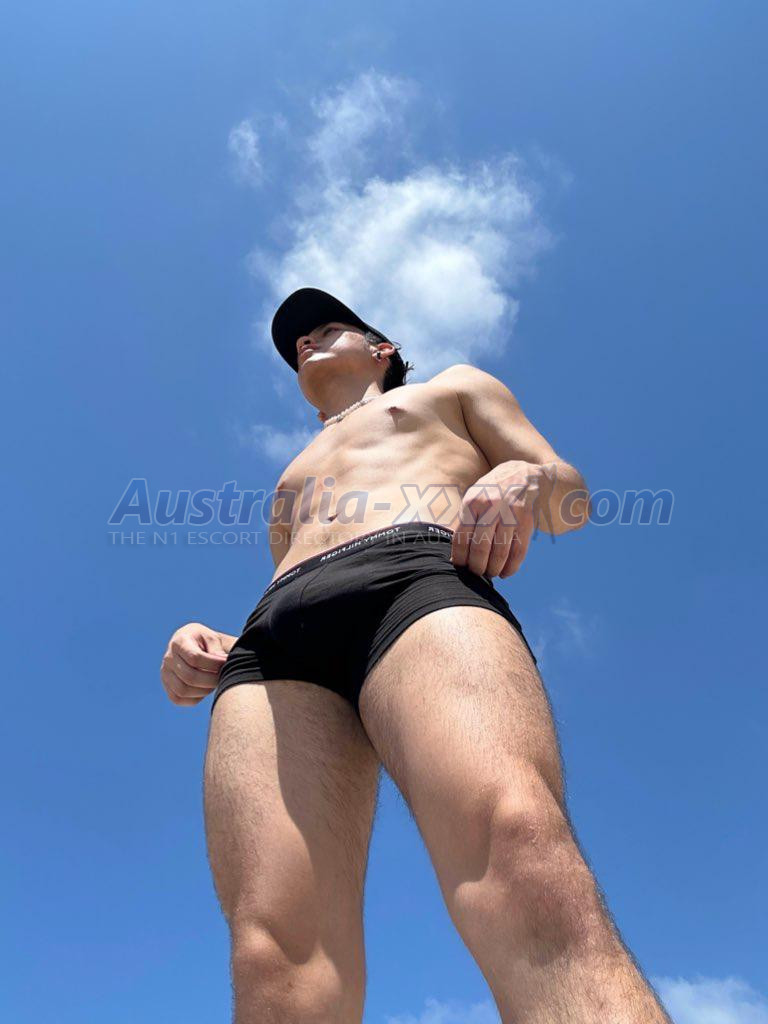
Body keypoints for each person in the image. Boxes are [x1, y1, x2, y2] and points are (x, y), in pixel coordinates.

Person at [160, 287, 671, 1024]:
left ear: (384, 349)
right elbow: (296, 575)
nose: (305, 341)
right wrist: (218, 641)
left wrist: (523, 477)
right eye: (296, 342)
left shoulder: (451, 389)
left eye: (327, 327)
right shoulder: (290, 477)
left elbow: (571, 499)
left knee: (517, 844)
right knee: (272, 956)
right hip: (274, 647)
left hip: (415, 574)